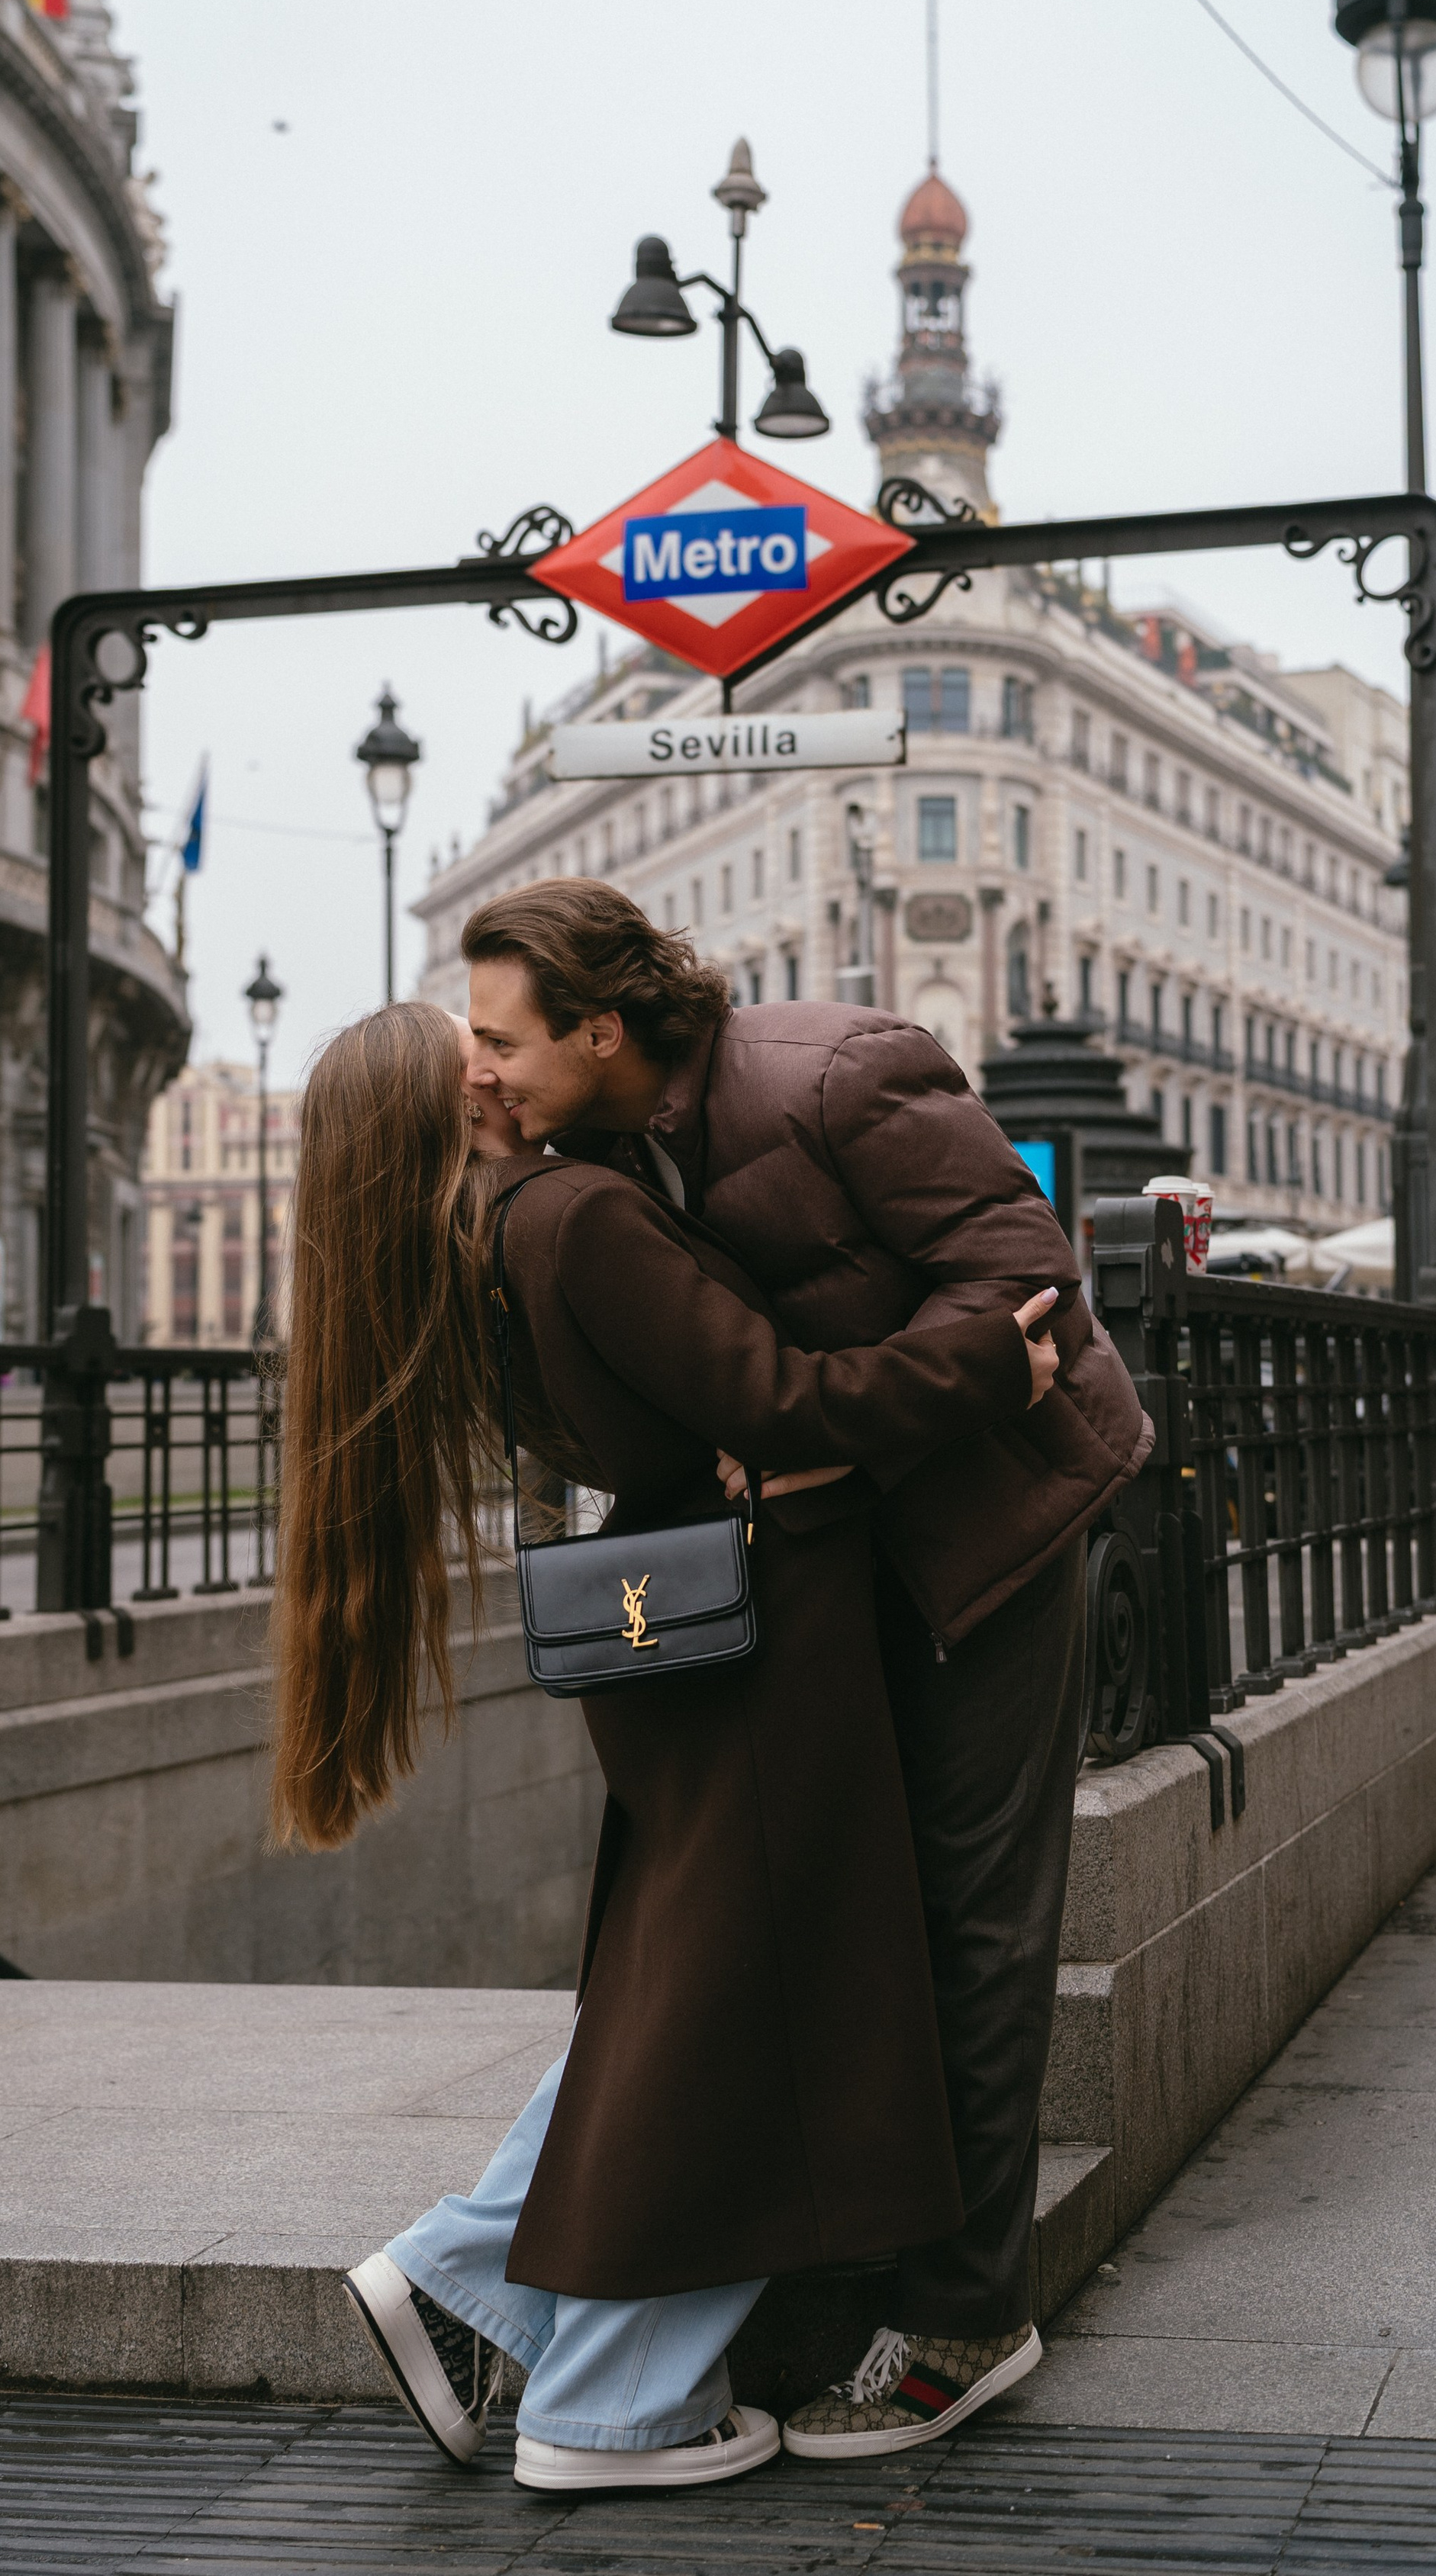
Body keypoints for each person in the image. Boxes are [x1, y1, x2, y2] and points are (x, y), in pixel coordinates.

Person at [272, 1001, 1063, 2493]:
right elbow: (772, 1396)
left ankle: (469, 2270)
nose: (515, 1068)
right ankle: (609, 2398)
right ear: (462, 1114)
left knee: (675, 1980)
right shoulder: (573, 1218)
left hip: (661, 1630)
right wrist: (982, 1372)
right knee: (729, 2001)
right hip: (756, 1627)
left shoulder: (464, 1262)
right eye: (482, 1060)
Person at [460, 880, 1152, 2459]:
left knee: (972, 1919)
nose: (480, 1068)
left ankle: (968, 2310)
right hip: (822, 1564)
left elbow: (1029, 1294)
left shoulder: (839, 1072)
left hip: (990, 1529)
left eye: (502, 1038)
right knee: (854, 1914)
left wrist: (810, 1430)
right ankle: (829, 2276)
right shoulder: (592, 1153)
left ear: (600, 1025)